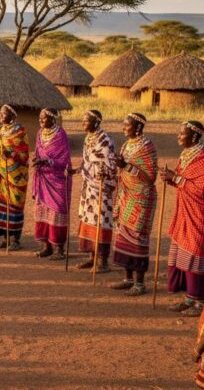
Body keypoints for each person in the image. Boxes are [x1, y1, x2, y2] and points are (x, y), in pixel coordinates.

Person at [163, 121, 204, 316]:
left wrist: (176, 178)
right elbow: (185, 184)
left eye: (182, 134)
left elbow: (203, 189)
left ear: (194, 137)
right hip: (186, 211)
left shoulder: (203, 158)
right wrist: (170, 179)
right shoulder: (187, 155)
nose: (179, 137)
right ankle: (189, 297)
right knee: (184, 255)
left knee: (196, 256)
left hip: (202, 214)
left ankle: (199, 301)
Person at [110, 113, 158, 297]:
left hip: (140, 199)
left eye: (127, 125)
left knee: (137, 239)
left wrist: (127, 166)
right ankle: (128, 279)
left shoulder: (147, 147)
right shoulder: (126, 145)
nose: (123, 127)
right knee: (123, 236)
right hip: (125, 196)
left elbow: (150, 177)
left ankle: (140, 283)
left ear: (138, 127)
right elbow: (121, 169)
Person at [69, 110, 117, 271]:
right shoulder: (88, 139)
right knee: (88, 219)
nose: (83, 123)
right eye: (82, 120)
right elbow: (87, 161)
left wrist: (101, 172)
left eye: (86, 121)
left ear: (96, 123)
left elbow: (110, 165)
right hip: (88, 187)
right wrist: (76, 170)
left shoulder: (105, 141)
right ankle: (92, 257)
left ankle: (102, 261)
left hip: (101, 188)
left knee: (101, 220)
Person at [30, 108, 72, 260]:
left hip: (57, 180)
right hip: (43, 179)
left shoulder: (61, 135)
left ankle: (59, 249)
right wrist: (38, 161)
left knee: (57, 213)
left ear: (53, 119)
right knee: (43, 213)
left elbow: (65, 160)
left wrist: (48, 161)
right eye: (40, 117)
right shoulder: (39, 134)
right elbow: (37, 153)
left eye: (44, 118)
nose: (41, 120)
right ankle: (46, 247)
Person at [0, 105, 29, 251]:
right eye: (0, 113)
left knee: (15, 206)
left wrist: (10, 154)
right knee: (3, 206)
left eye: (3, 114)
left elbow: (24, 156)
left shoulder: (20, 132)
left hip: (16, 176)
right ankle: (5, 238)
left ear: (12, 115)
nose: (0, 116)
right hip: (1, 175)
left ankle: (15, 240)